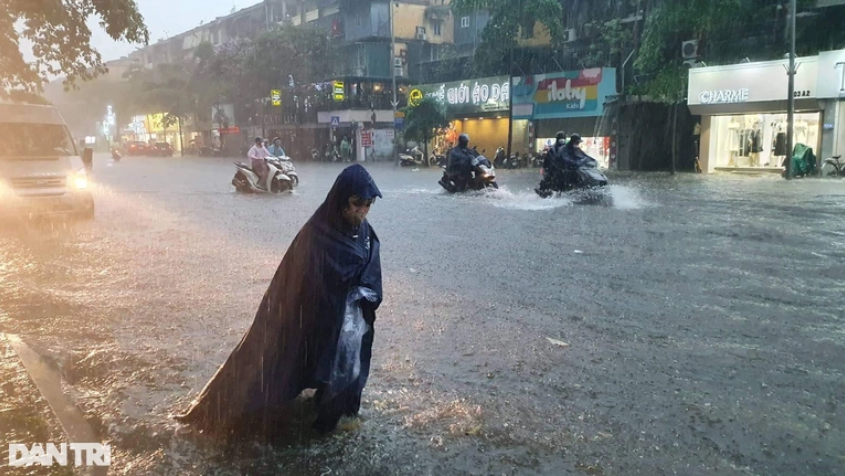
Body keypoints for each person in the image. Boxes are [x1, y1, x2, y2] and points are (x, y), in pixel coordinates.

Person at [176, 164, 383, 435]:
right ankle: (223, 414)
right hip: (311, 318)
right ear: (341, 200)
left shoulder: (365, 234)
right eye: (358, 203)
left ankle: (329, 416)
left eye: (368, 203)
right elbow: (297, 285)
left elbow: (371, 270)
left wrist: (362, 295)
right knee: (268, 362)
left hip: (345, 318)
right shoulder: (317, 236)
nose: (363, 210)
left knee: (346, 368)